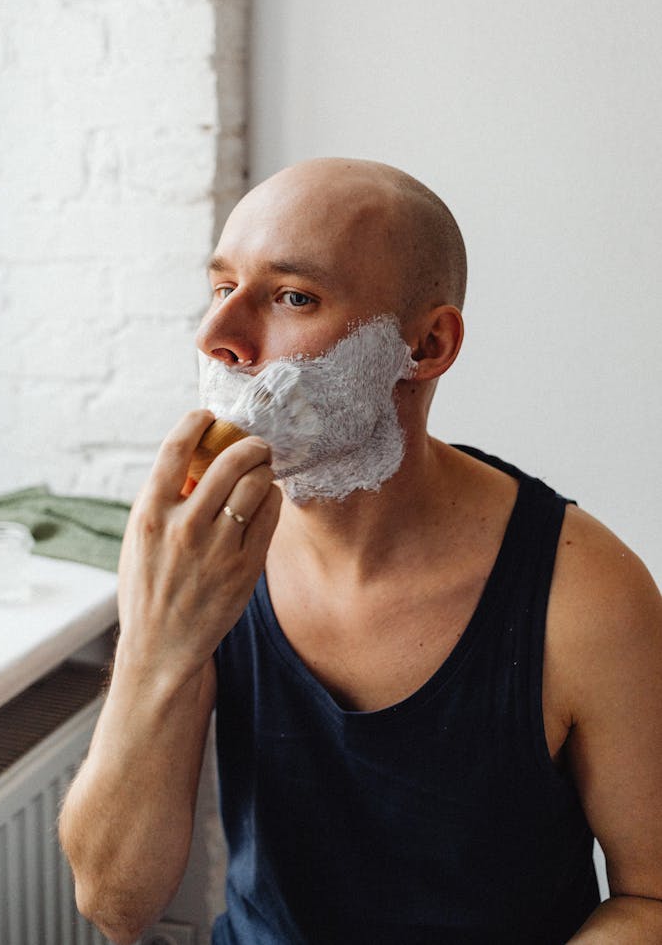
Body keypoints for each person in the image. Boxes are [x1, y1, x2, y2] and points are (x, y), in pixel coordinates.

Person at [59, 158, 662, 944]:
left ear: (427, 344)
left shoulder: (583, 594)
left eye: (291, 297)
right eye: (220, 288)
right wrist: (155, 647)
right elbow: (114, 902)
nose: (218, 338)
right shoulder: (206, 555)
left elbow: (650, 897)